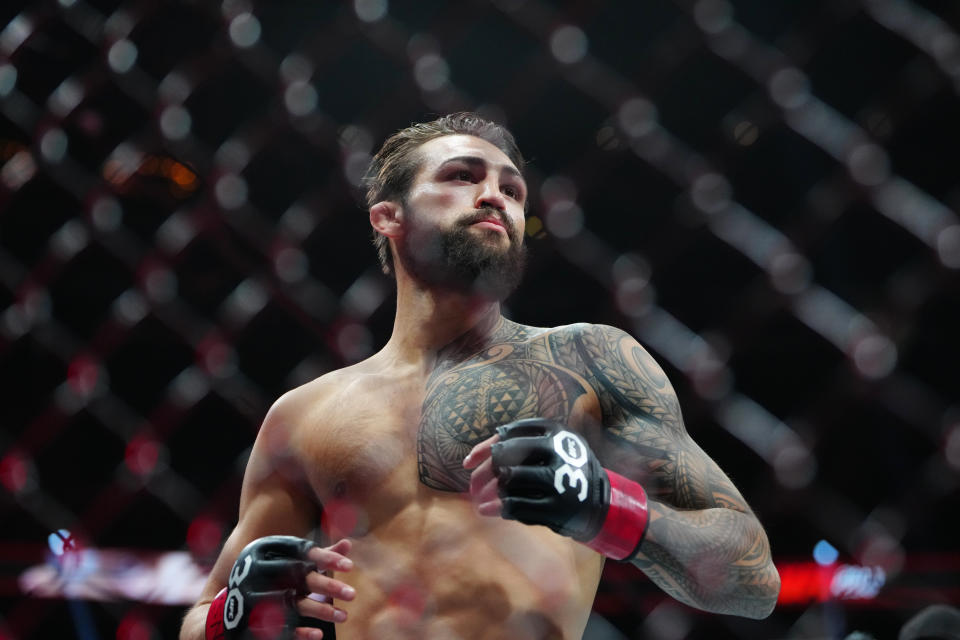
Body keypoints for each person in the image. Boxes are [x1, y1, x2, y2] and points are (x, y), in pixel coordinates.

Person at [179, 112, 781, 640]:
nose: (496, 195)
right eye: (463, 176)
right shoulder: (305, 414)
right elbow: (201, 613)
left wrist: (606, 507)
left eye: (513, 189)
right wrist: (232, 615)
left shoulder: (589, 361)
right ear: (389, 216)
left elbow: (754, 579)